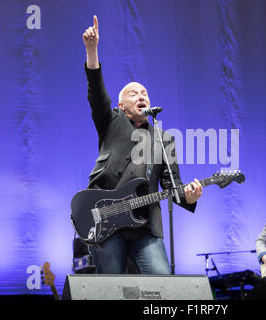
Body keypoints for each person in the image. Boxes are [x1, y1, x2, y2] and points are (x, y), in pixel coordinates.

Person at [82, 15, 202, 274]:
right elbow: (96, 91)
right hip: (106, 220)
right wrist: (92, 50)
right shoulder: (111, 121)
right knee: (111, 286)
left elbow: (173, 185)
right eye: (133, 93)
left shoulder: (163, 138)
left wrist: (188, 197)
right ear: (121, 106)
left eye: (144, 92)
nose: (141, 95)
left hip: (145, 226)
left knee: (161, 280)